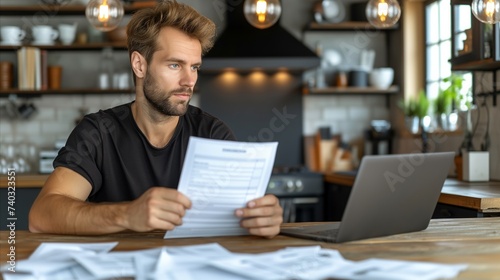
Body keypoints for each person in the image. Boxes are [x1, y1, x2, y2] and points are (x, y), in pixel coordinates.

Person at [29, 0, 283, 238]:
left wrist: (263, 219)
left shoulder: (213, 133)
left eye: (194, 67)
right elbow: (41, 216)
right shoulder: (98, 133)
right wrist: (127, 215)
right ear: (139, 65)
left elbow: (242, 220)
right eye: (175, 65)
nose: (189, 81)